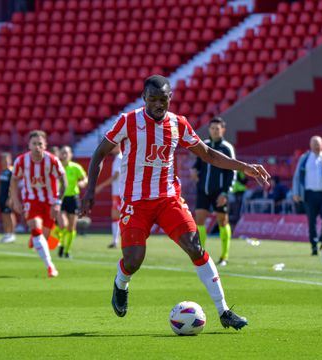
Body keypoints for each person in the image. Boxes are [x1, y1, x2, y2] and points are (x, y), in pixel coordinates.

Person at [80, 75, 270, 331]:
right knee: (134, 260)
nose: (159, 105)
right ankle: (121, 283)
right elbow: (99, 153)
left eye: (164, 100)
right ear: (144, 99)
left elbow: (208, 154)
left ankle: (224, 311)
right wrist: (90, 190)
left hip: (168, 199)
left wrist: (244, 167)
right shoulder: (128, 121)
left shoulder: (178, 124)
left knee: (195, 247)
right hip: (136, 203)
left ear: (170, 99)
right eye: (153, 100)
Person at [10, 130, 67, 278]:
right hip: (31, 199)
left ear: (45, 145)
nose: (37, 147)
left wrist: (58, 203)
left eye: (40, 144)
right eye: (34, 144)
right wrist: (15, 200)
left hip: (50, 201)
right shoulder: (21, 161)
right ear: (29, 145)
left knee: (45, 237)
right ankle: (50, 266)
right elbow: (14, 180)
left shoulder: (53, 160)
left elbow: (64, 182)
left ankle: (36, 238)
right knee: (36, 227)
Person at [190, 116, 236, 267]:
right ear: (209, 130)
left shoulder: (227, 148)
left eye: (218, 128)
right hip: (203, 190)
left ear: (223, 130)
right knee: (200, 220)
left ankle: (224, 256)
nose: (215, 131)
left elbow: (232, 171)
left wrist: (225, 192)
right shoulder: (205, 145)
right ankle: (200, 255)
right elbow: (197, 164)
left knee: (222, 221)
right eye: (212, 128)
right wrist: (194, 171)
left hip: (220, 192)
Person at [292, 136, 322, 255]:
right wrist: (296, 193)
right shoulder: (304, 158)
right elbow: (297, 176)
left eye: (318, 143)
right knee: (312, 221)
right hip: (309, 195)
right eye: (314, 143)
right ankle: (314, 245)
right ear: (310, 145)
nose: (316, 146)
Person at [58, 145, 88, 258]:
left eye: (67, 153)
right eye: (63, 152)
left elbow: (85, 178)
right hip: (60, 198)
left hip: (73, 198)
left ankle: (66, 250)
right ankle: (60, 242)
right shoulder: (57, 167)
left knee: (71, 227)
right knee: (63, 224)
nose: (65, 155)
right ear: (60, 155)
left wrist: (83, 183)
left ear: (71, 155)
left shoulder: (76, 167)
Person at [95, 146, 122, 248]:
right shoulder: (117, 158)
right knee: (115, 216)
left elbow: (116, 176)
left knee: (118, 216)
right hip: (117, 192)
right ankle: (115, 241)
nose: (112, 148)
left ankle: (118, 240)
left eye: (114, 146)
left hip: (119, 192)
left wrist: (101, 186)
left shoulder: (119, 158)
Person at [0, 152, 16, 244]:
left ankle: (12, 234)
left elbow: (13, 186)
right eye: (3, 159)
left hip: (8, 197)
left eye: (6, 159)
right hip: (2, 196)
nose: (4, 161)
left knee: (9, 215)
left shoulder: (11, 171)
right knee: (4, 215)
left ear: (10, 160)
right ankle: (7, 233)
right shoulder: (2, 172)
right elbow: (0, 186)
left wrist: (11, 198)